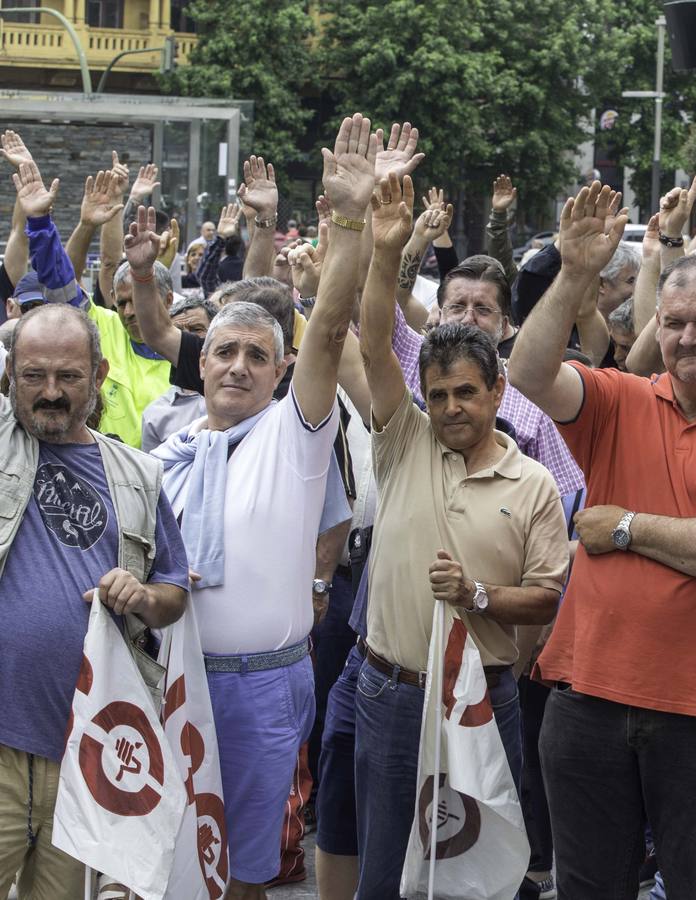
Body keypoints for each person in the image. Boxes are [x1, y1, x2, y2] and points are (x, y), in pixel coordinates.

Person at [508, 181, 696, 896]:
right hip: (586, 701)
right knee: (588, 887)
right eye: (672, 324)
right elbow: (525, 373)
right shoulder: (621, 398)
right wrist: (576, 271)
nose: (686, 338)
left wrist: (628, 529)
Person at [142, 114, 377, 899]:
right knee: (160, 855)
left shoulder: (295, 435)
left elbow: (334, 322)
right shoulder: (164, 451)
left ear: (281, 373)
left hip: (258, 688)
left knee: (244, 868)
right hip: (165, 678)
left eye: (257, 356)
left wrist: (346, 222)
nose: (238, 366)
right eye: (224, 352)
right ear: (199, 363)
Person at [352, 171, 570, 896]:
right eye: (437, 394)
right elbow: (377, 339)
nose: (449, 408)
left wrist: (477, 597)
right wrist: (387, 250)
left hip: (485, 697)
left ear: (497, 390)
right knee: (384, 871)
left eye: (465, 393)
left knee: (479, 875)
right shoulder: (402, 440)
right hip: (394, 693)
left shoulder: (534, 483)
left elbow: (546, 599)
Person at [0, 303, 190, 898]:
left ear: (100, 373)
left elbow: (174, 594)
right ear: (10, 375)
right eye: (33, 376)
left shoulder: (138, 474)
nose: (50, 392)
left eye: (68, 376)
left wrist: (143, 596)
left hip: (86, 754)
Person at [9, 158, 172, 449]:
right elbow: (60, 285)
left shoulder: (189, 351)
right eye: (121, 303)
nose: (130, 312)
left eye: (138, 300)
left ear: (169, 300)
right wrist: (40, 223)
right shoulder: (102, 326)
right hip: (96, 471)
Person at [139, 297, 217, 451]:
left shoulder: (236, 394)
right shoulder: (155, 414)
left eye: (196, 329)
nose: (186, 338)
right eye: (178, 332)